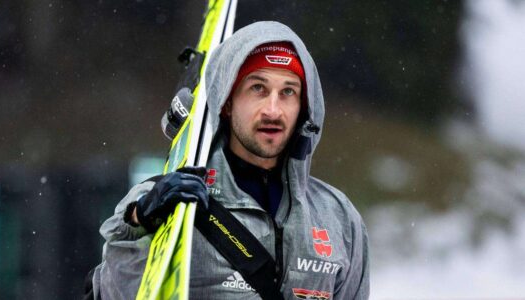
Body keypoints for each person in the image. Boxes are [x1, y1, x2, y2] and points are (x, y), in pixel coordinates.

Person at [87, 21, 369, 299]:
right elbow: (113, 294)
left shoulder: (339, 218)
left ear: (303, 108)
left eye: (288, 92)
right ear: (227, 101)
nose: (273, 109)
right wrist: (141, 224)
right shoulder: (167, 200)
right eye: (258, 88)